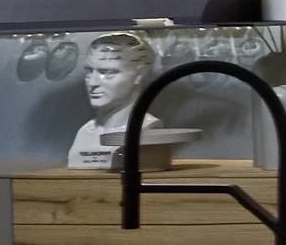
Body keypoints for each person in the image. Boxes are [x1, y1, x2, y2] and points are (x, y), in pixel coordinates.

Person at [64, 29, 194, 168]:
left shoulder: (147, 128)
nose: (93, 82)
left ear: (140, 74)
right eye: (89, 71)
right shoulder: (84, 132)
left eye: (108, 72)